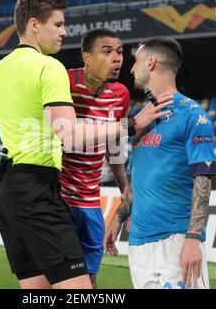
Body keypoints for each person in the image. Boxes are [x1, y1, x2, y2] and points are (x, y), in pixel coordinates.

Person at [0, 0, 172, 289]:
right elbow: (69, 133)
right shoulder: (50, 68)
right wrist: (131, 123)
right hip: (39, 188)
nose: (64, 32)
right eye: (58, 24)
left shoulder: (1, 67)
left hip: (5, 189)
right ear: (34, 24)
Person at [103, 37, 216, 289]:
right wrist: (119, 217)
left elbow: (203, 178)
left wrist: (193, 239)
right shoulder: (143, 118)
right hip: (139, 243)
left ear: (151, 62)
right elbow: (142, 176)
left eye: (136, 61)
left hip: (175, 240)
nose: (131, 69)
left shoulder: (193, 115)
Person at [60, 28, 132, 288]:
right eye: (107, 51)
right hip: (60, 199)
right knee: (55, 278)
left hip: (91, 203)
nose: (117, 58)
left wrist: (124, 187)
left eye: (120, 52)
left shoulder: (121, 94)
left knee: (90, 279)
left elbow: (113, 144)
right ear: (86, 57)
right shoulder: (63, 82)